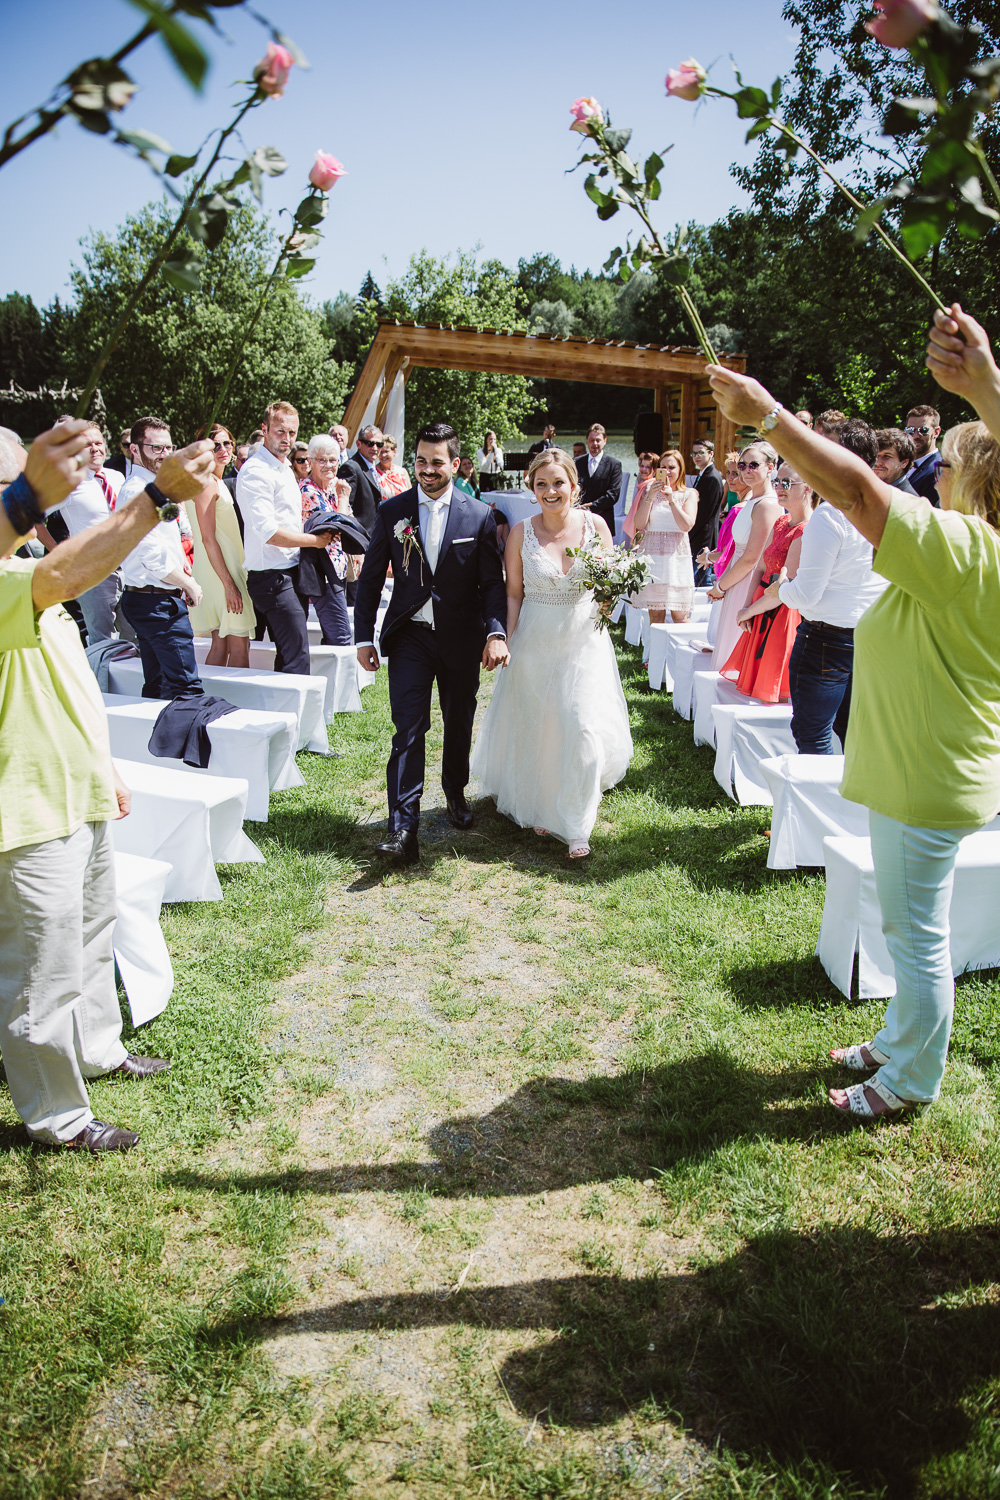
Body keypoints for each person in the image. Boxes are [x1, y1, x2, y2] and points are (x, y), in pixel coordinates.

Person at [708, 302, 1000, 1122]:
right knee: (916, 927)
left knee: (917, 938)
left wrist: (767, 414)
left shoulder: (968, 552)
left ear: (976, 479)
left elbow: (858, 490)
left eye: (944, 464)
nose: (931, 474)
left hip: (929, 774)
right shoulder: (966, 545)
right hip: (922, 766)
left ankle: (910, 1078)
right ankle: (900, 1040)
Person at [0, 435, 214, 1152]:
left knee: (92, 937)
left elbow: (66, 682)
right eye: (15, 486)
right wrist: (156, 497)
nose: (31, 502)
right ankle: (56, 1117)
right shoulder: (22, 576)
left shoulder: (26, 565)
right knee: (41, 970)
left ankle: (98, 1049)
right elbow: (73, 569)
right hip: (23, 807)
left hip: (74, 787)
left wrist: (105, 768)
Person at [354, 421, 509, 864]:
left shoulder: (478, 515)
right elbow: (368, 581)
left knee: (458, 720)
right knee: (408, 728)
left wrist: (495, 631)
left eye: (436, 462)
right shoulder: (392, 511)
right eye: (420, 461)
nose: (426, 469)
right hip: (411, 638)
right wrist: (362, 636)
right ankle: (403, 828)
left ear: (455, 464)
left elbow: (491, 585)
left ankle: (455, 792)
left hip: (461, 638)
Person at [471, 448, 632, 859]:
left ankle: (576, 825)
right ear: (532, 489)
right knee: (542, 727)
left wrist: (610, 598)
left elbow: (609, 584)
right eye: (541, 484)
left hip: (583, 641)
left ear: (574, 487)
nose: (550, 491)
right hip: (535, 640)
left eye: (558, 482)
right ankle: (544, 805)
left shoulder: (595, 526)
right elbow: (513, 594)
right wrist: (502, 639)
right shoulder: (521, 534)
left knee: (580, 725)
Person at [237, 401, 333, 676]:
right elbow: (268, 533)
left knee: (289, 655)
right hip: (271, 577)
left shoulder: (282, 468)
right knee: (297, 657)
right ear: (265, 430)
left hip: (289, 572)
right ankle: (296, 718)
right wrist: (315, 541)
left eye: (292, 432)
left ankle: (284, 717)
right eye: (280, 431)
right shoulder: (257, 471)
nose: (287, 438)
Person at [117, 417, 205, 700]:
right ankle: (187, 744)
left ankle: (155, 742)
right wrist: (189, 585)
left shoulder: (157, 487)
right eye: (156, 448)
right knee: (187, 688)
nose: (164, 455)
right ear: (134, 449)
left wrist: (183, 568)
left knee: (159, 685)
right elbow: (150, 554)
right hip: (155, 602)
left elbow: (164, 540)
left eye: (169, 448)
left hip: (155, 597)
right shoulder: (138, 491)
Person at [721, 463, 814, 701]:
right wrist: (747, 606)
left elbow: (784, 589)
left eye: (787, 483)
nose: (779, 488)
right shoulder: (782, 523)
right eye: (777, 482)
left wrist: (750, 610)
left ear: (808, 489)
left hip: (781, 613)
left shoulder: (807, 530)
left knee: (772, 690)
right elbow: (761, 565)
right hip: (761, 604)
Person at [38, 424, 123, 643]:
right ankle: (98, 678)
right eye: (87, 445)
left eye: (98, 443)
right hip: (91, 572)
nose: (94, 449)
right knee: (103, 642)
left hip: (129, 569)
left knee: (135, 637)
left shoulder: (117, 478)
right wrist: (57, 552)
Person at [704, 443, 782, 669]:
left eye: (754, 465)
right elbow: (738, 552)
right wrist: (723, 584)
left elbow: (752, 558)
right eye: (742, 465)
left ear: (770, 467)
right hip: (735, 578)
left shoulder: (767, 505)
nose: (746, 470)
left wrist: (721, 587)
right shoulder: (751, 501)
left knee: (735, 647)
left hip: (748, 581)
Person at [186, 423, 255, 667]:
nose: (224, 448)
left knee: (223, 644)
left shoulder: (216, 480)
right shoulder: (205, 483)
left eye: (228, 443)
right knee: (239, 647)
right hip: (220, 571)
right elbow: (207, 538)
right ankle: (235, 704)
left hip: (225, 566)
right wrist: (228, 584)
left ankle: (209, 701)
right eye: (216, 445)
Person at [624, 448, 696, 624]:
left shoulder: (688, 494)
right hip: (654, 558)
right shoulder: (649, 490)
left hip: (676, 558)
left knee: (680, 615)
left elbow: (686, 525)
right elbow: (640, 523)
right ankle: (656, 652)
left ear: (680, 469)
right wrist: (651, 496)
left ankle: (681, 652)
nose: (668, 471)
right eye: (663, 467)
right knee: (656, 615)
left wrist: (671, 499)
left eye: (672, 467)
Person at [298, 434, 353, 646]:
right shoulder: (307, 491)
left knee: (334, 635)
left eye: (333, 460)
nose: (328, 465)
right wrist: (343, 499)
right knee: (341, 636)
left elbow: (351, 523)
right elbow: (336, 528)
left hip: (337, 568)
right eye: (322, 460)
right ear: (310, 462)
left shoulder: (331, 487)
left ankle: (328, 678)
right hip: (322, 571)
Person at [688, 437, 725, 586]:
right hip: (700, 534)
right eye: (693, 453)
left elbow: (704, 513)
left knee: (702, 578)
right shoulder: (704, 474)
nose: (696, 457)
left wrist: (688, 530)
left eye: (700, 453)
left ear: (711, 454)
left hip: (704, 537)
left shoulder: (712, 477)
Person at [575, 423, 623, 534]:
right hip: (578, 520)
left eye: (598, 440)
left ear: (605, 440)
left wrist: (591, 507)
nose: (595, 444)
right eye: (592, 440)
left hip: (603, 519)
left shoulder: (614, 464)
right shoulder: (577, 462)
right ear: (587, 441)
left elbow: (613, 494)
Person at [339, 423, 384, 534]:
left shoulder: (373, 467)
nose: (375, 448)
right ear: (358, 444)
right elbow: (345, 507)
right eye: (370, 443)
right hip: (360, 538)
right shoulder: (351, 467)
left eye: (379, 444)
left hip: (373, 536)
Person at [904, 403, 943, 503]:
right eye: (910, 430)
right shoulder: (901, 463)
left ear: (936, 432)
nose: (915, 435)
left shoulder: (938, 470)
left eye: (923, 430)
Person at [874, 429, 919, 494]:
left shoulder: (910, 501)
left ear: (904, 462)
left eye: (887, 456)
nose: (878, 462)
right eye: (876, 455)